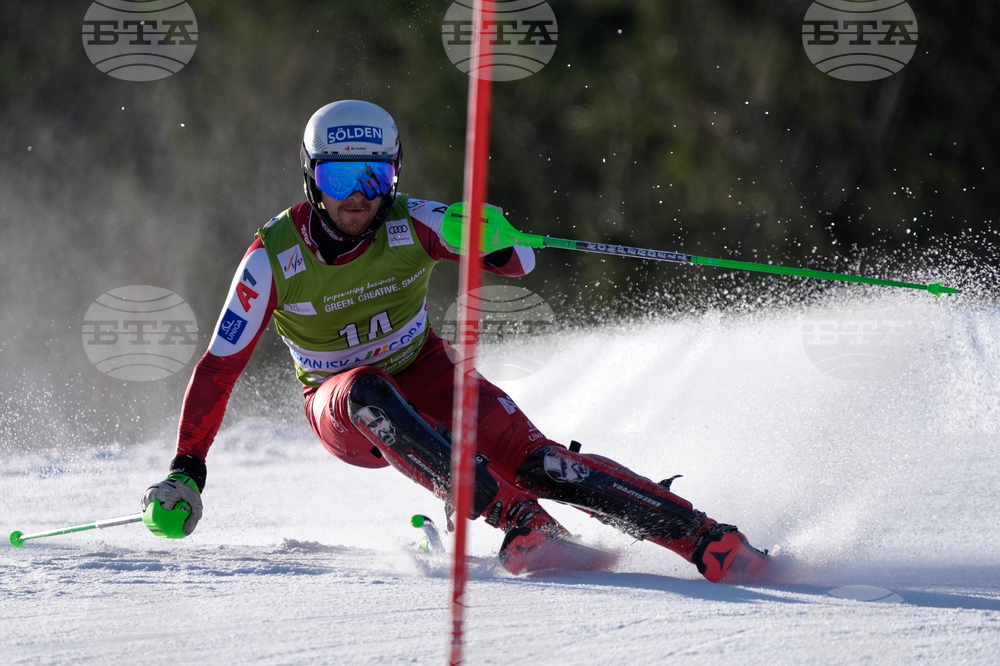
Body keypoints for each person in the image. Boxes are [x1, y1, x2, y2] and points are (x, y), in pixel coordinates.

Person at [141, 100, 771, 583]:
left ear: (394, 176)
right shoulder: (270, 258)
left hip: (428, 375)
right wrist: (186, 470)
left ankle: (707, 540)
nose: (358, 197)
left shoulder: (413, 220)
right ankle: (521, 523)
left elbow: (519, 262)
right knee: (365, 390)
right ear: (311, 180)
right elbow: (220, 367)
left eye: (374, 176)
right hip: (342, 408)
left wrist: (494, 236)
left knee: (542, 462)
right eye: (339, 180)